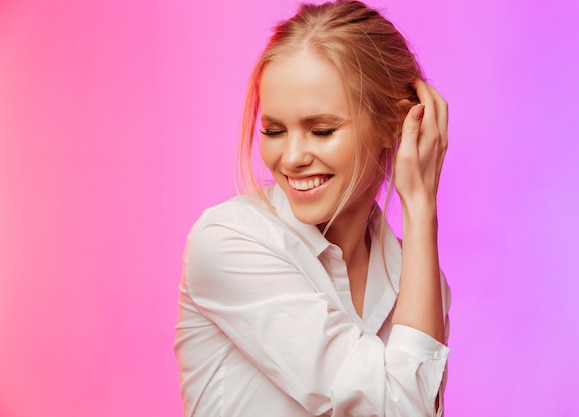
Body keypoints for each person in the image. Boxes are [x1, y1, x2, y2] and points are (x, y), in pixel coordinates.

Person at [174, 1, 451, 416]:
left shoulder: (419, 280)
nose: (292, 157)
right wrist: (420, 204)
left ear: (397, 126)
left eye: (321, 130)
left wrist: (420, 209)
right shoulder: (229, 243)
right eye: (273, 130)